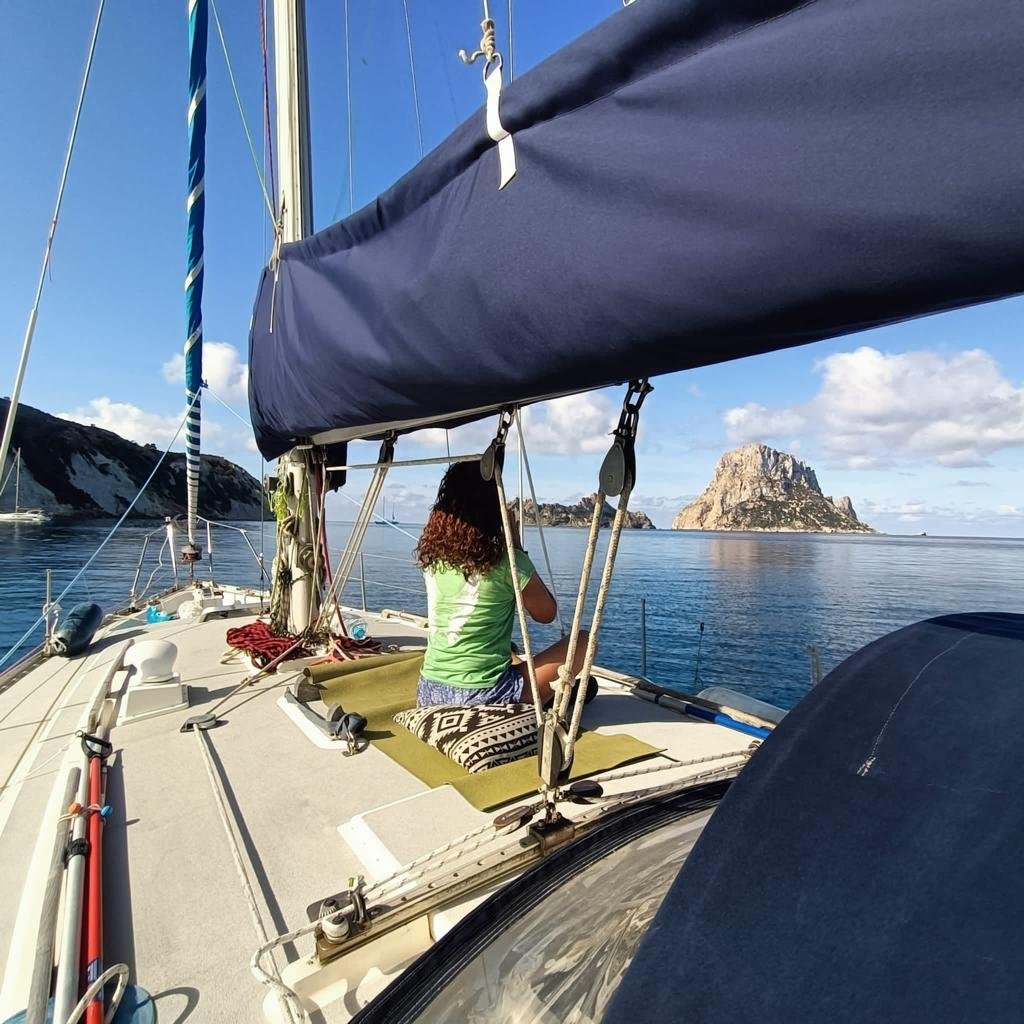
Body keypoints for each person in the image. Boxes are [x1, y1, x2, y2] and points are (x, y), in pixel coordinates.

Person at [415, 460, 591, 708]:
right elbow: (546, 614)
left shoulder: (433, 560)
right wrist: (515, 545)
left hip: (430, 691)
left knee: (508, 650)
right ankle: (547, 693)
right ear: (493, 509)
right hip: (485, 696)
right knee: (584, 639)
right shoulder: (508, 563)